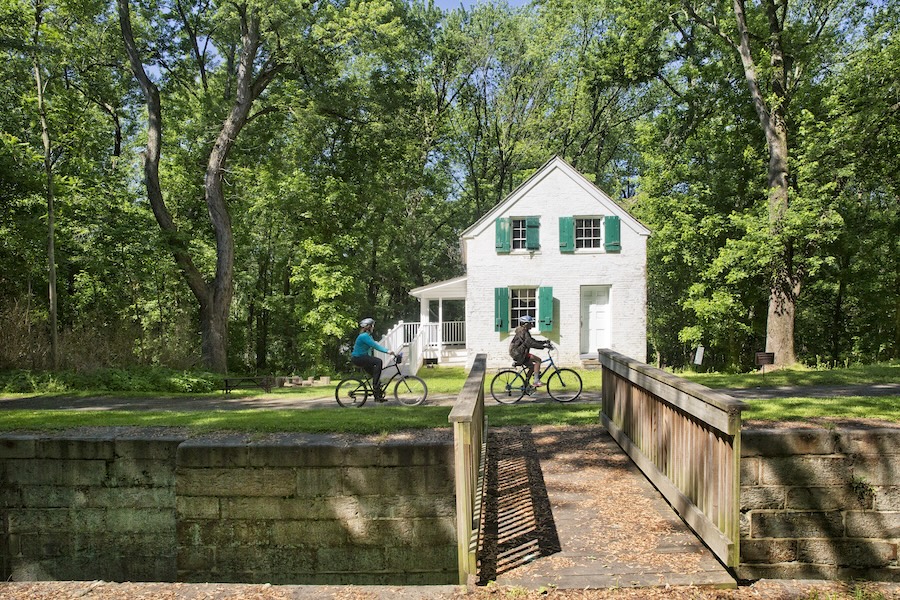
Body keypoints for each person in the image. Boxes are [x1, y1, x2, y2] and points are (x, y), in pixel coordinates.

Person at [351, 318, 395, 399]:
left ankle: (377, 396)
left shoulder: (368, 336)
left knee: (375, 375)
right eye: (372, 326)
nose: (373, 327)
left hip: (362, 357)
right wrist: (387, 351)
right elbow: (375, 346)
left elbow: (370, 348)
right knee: (378, 362)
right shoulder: (364, 336)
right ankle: (375, 387)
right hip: (358, 358)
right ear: (368, 327)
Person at [508, 315, 550, 387]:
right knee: (538, 360)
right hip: (519, 353)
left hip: (519, 352)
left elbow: (532, 341)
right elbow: (530, 343)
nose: (532, 324)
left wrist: (544, 342)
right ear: (526, 324)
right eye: (531, 323)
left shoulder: (524, 331)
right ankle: (536, 381)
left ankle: (525, 385)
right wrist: (543, 346)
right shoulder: (523, 332)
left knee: (532, 367)